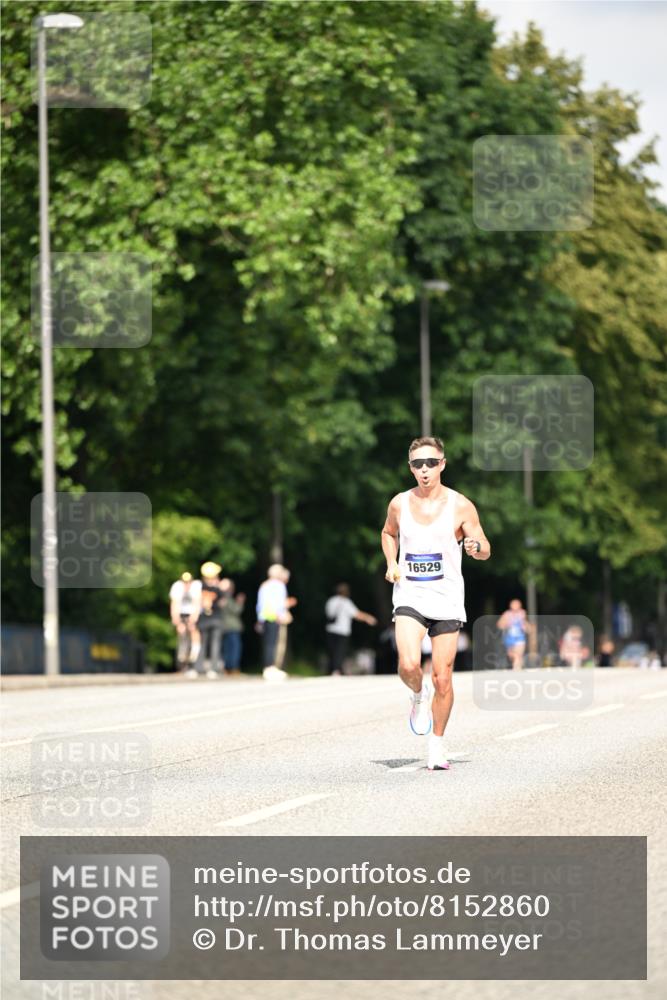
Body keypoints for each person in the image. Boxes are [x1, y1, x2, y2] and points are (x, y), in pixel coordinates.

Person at [381, 436, 491, 771]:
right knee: (410, 664)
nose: (425, 470)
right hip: (410, 596)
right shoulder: (399, 503)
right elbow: (388, 533)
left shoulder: (460, 505)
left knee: (443, 677)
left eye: (431, 463)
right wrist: (392, 562)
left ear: (442, 464)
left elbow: (485, 545)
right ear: (410, 467)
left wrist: (476, 548)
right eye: (418, 464)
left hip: (447, 599)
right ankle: (417, 695)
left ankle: (437, 745)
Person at [324, 583, 378, 675]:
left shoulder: (331, 601)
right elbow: (356, 614)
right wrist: (368, 618)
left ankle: (331, 670)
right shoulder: (346, 602)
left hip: (330, 629)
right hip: (342, 630)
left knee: (332, 651)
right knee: (340, 651)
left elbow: (328, 614)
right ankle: (336, 670)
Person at [256, 564, 291, 681]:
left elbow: (260, 604)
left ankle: (268, 667)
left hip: (265, 617)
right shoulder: (279, 586)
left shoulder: (264, 585)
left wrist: (259, 619)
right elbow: (279, 603)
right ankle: (270, 667)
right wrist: (281, 615)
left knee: (267, 643)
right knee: (273, 643)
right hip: (274, 617)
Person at [193, 561, 228, 678]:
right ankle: (213, 669)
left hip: (203, 618)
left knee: (202, 643)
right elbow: (223, 603)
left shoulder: (199, 586)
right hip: (216, 618)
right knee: (215, 644)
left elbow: (196, 603)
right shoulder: (219, 588)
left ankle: (198, 668)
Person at [169, 571, 201, 672]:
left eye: (188, 582)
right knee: (182, 633)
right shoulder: (177, 587)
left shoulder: (196, 586)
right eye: (184, 582)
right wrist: (177, 621)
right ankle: (181, 659)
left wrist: (193, 619)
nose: (186, 584)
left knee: (194, 633)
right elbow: (175, 604)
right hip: (181, 613)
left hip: (193, 613)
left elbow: (197, 603)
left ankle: (193, 656)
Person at [220, 578, 246, 675]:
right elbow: (236, 610)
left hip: (226, 627)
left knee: (227, 648)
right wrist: (240, 602)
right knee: (234, 648)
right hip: (231, 627)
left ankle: (228, 668)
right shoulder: (226, 598)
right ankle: (232, 668)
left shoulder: (224, 598)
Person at [497, 599, 530, 671]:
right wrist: (506, 625)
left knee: (519, 654)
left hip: (520, 637)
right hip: (509, 638)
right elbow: (499, 624)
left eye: (517, 604)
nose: (515, 606)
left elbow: (525, 624)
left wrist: (526, 627)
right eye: (514, 604)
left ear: (520, 605)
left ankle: (517, 669)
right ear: (510, 606)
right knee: (511, 654)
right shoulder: (507, 614)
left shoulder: (522, 613)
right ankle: (518, 665)